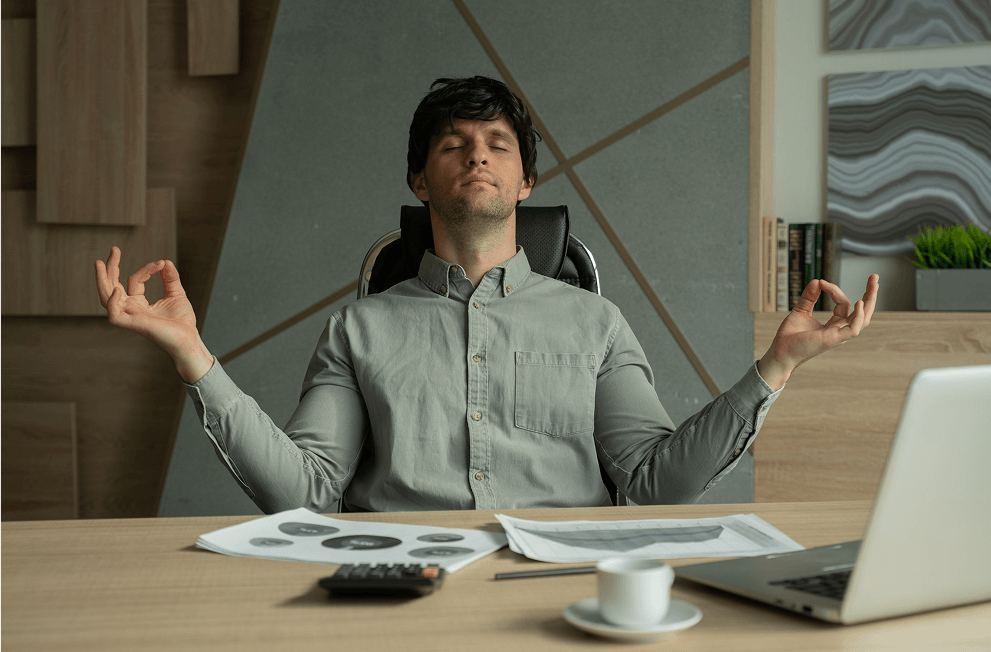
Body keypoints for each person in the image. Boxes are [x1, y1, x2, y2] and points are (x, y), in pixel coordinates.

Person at [95, 76, 879, 514]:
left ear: (527, 182)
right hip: (398, 588)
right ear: (418, 179)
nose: (477, 155)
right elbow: (305, 493)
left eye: (498, 145)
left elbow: (653, 484)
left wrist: (778, 365)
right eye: (453, 145)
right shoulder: (357, 330)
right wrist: (191, 353)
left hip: (564, 587)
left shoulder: (596, 323)